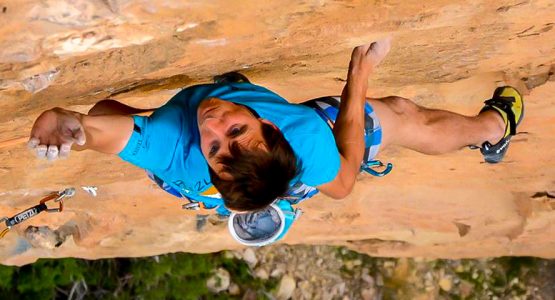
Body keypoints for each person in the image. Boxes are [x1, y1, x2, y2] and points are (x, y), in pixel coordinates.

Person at [27, 38, 524, 242]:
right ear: (273, 127)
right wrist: (360, 75)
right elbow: (345, 176)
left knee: (118, 120)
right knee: (399, 116)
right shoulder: (307, 138)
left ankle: (491, 131)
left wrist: (70, 124)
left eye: (220, 144)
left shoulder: (178, 148)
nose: (214, 125)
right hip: (275, 171)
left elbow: (95, 128)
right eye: (234, 133)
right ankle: (495, 127)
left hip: (187, 171)